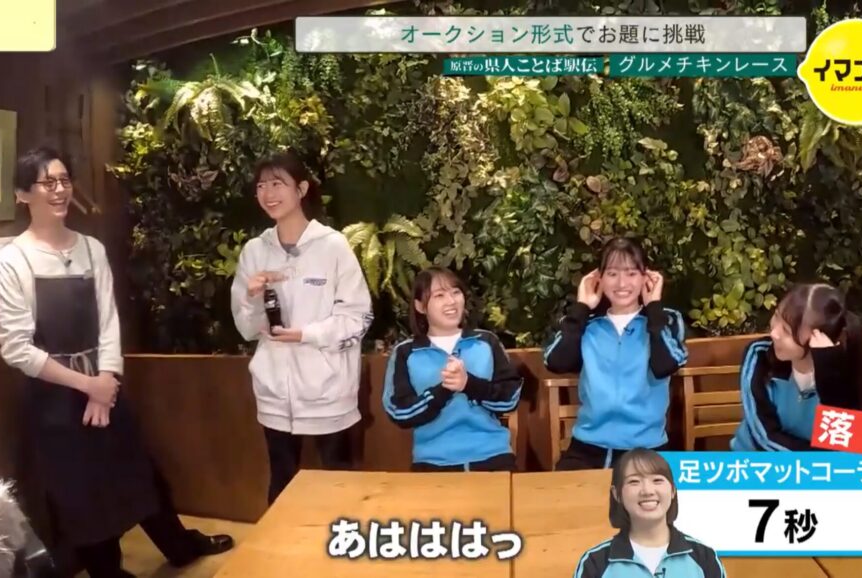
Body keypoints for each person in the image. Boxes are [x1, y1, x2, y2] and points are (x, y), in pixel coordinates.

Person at [0, 146, 234, 578]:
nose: (60, 190)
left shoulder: (91, 248)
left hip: (104, 384)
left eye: (64, 180)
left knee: (140, 472)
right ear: (22, 194)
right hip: (54, 399)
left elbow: (108, 320)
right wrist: (88, 386)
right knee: (81, 496)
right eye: (48, 183)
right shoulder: (13, 260)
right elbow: (17, 349)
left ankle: (180, 547)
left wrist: (106, 379)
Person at [230, 150, 373, 505]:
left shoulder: (333, 246)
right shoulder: (254, 251)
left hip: (329, 392)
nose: (268, 193)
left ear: (302, 189)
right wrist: (252, 297)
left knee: (339, 483)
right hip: (274, 394)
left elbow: (357, 317)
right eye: (261, 185)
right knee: (281, 483)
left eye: (278, 183)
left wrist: (306, 335)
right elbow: (246, 328)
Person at [544, 237, 688, 470]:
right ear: (598, 278)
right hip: (587, 448)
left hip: (646, 448)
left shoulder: (665, 320)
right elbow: (556, 362)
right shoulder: (585, 324)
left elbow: (665, 365)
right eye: (612, 274)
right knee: (559, 492)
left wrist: (653, 307)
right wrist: (581, 308)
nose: (622, 283)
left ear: (646, 277)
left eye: (631, 273)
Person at [382, 267, 522, 471]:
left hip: (492, 455)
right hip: (432, 462)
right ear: (420, 306)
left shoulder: (486, 342)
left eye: (456, 292)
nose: (451, 301)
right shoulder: (406, 353)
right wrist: (443, 390)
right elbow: (400, 413)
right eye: (439, 295)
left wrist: (469, 384)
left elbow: (510, 400)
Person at [730, 283, 862, 451]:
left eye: (787, 331)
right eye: (776, 316)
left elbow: (846, 440)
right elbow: (764, 438)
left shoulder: (838, 372)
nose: (774, 333)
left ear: (819, 337)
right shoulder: (759, 355)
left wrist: (828, 375)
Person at [573, 448, 727, 578]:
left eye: (657, 480)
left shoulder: (704, 557)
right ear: (617, 494)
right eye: (634, 481)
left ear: (673, 490)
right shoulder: (595, 562)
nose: (647, 491)